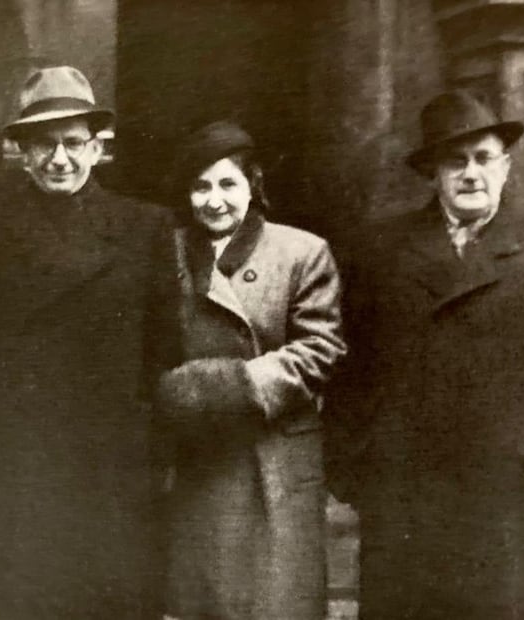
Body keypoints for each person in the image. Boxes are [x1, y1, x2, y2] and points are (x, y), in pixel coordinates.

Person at [326, 90, 524, 619]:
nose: (470, 174)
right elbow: (350, 367)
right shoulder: (379, 248)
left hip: (503, 490)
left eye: (484, 158)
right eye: (455, 161)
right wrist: (351, 463)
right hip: (401, 487)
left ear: (505, 165)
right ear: (432, 172)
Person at [0, 66, 180, 619]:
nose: (59, 159)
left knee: (112, 590)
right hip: (25, 449)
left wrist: (157, 446)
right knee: (30, 590)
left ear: (99, 147)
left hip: (114, 453)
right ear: (21, 151)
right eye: (43, 144)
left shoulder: (145, 226)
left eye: (73, 143)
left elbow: (164, 346)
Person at [157, 121, 346, 620]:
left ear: (253, 185)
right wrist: (170, 392)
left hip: (273, 458)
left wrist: (225, 385)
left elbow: (320, 350)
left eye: (227, 184)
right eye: (200, 186)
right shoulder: (166, 254)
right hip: (200, 455)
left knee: (270, 603)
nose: (213, 200)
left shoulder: (301, 253)